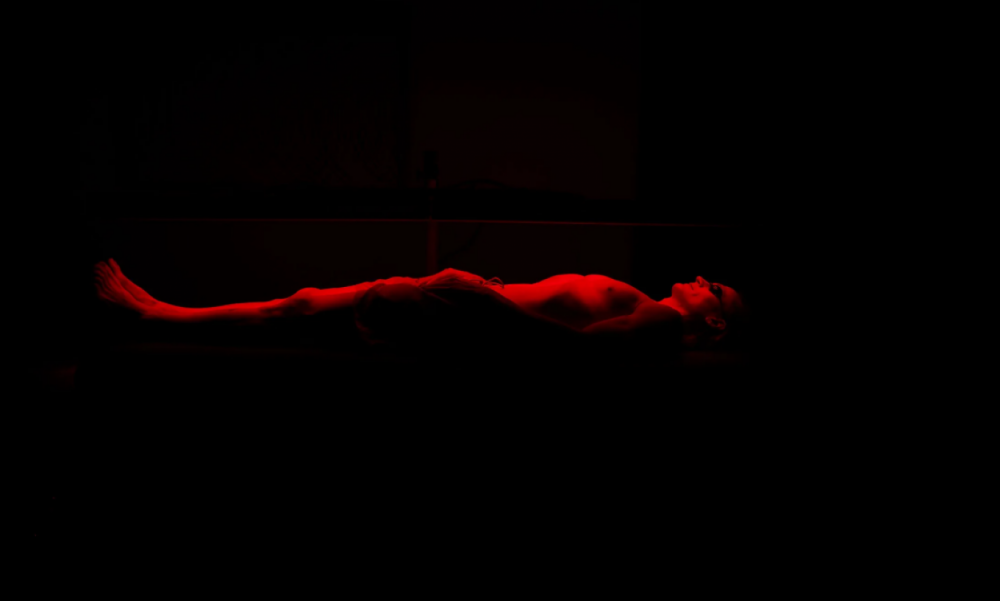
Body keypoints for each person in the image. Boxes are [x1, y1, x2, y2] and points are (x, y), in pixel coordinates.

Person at [93, 259, 745, 355]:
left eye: (713, 288)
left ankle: (159, 317)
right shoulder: (653, 312)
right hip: (461, 307)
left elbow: (579, 354)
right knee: (301, 308)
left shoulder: (662, 322)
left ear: (714, 322)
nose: (700, 279)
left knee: (300, 312)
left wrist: (479, 302)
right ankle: (162, 312)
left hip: (460, 313)